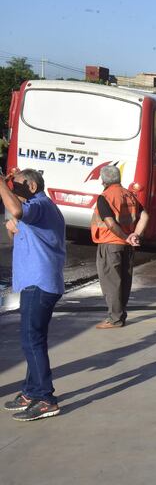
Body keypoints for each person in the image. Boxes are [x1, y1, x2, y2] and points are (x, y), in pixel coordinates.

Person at [0, 169, 65, 421]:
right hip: (34, 282)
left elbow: (17, 212)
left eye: (16, 186)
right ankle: (31, 391)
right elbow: (15, 226)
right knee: (33, 339)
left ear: (32, 186)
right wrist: (12, 227)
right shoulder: (36, 209)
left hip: (39, 284)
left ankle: (46, 398)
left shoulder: (39, 206)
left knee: (31, 340)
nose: (12, 191)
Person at [91, 166, 150, 329]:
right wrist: (134, 235)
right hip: (127, 246)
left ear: (103, 180)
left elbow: (109, 223)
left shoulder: (105, 197)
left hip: (111, 244)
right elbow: (145, 215)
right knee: (124, 283)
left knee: (111, 283)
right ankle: (120, 315)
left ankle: (114, 319)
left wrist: (125, 237)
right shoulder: (129, 194)